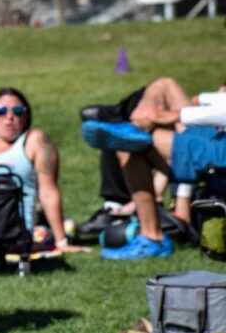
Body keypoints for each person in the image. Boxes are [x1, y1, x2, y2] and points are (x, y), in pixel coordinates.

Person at [83, 87, 226, 260]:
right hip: (216, 132)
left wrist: (175, 115)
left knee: (128, 146)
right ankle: (134, 125)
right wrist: (201, 98)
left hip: (220, 149)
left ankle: (152, 238)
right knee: (164, 85)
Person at [0, 87, 87, 252]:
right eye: (1, 111)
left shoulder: (35, 141)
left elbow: (48, 191)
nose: (9, 117)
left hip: (16, 229)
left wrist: (61, 242)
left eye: (17, 110)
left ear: (26, 116)